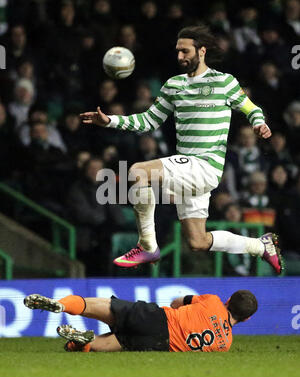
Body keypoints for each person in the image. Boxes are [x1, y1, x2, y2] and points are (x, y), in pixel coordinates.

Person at [80, 24, 283, 275]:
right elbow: (148, 121)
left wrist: (259, 123)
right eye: (177, 51)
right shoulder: (173, 85)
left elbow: (251, 108)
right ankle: (259, 246)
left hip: (206, 166)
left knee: (137, 172)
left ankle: (147, 245)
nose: (179, 57)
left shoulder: (224, 82)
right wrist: (110, 120)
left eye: (185, 51)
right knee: (198, 241)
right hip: (188, 169)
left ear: (202, 51)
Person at [24, 289, 258, 353]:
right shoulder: (224, 344)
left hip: (159, 319)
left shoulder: (214, 301)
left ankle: (62, 305)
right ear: (246, 319)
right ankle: (86, 342)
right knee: (117, 343)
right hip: (159, 345)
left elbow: (177, 302)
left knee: (101, 306)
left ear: (229, 300)